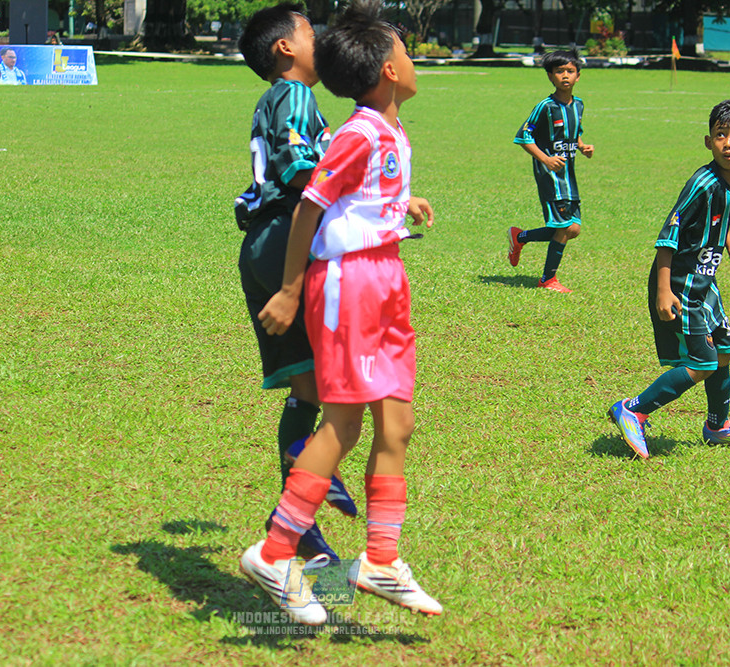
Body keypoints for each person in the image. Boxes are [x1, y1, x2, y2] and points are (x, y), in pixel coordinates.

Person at [238, 0, 441, 626]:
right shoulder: (355, 132)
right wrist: (293, 289)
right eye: (404, 53)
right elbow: (311, 206)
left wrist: (397, 207)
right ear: (386, 71)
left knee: (397, 425)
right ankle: (275, 552)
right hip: (348, 285)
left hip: (387, 278)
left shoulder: (389, 130)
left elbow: (356, 198)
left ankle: (380, 559)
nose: (413, 61)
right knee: (347, 426)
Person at [234, 3, 357, 563]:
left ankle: (296, 523)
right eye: (311, 32)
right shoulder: (295, 95)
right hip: (292, 243)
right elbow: (298, 169)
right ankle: (310, 485)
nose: (320, 38)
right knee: (347, 390)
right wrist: (370, 202)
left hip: (262, 245)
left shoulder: (276, 100)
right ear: (286, 48)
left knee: (307, 390)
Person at [608, 98, 730, 459]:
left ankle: (718, 427)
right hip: (680, 285)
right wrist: (664, 290)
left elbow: (719, 220)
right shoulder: (702, 183)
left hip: (705, 284)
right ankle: (633, 409)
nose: (728, 143)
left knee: (723, 350)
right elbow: (669, 236)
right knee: (702, 363)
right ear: (708, 142)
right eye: (720, 135)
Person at [507, 50, 594, 293]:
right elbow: (523, 137)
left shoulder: (578, 105)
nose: (565, 76)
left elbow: (574, 133)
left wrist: (582, 146)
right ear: (550, 76)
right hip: (551, 177)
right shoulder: (545, 107)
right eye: (559, 72)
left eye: (570, 71)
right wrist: (545, 159)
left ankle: (520, 237)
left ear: (578, 76)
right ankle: (547, 279)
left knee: (572, 229)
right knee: (565, 227)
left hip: (569, 177)